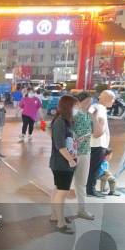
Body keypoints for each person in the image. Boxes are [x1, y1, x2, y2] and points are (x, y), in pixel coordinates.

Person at [49, 94, 79, 233]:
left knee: (58, 189)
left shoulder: (67, 121)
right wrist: (71, 160)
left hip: (63, 162)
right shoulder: (60, 122)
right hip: (62, 164)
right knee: (62, 192)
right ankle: (60, 223)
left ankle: (55, 216)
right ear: (68, 106)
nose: (77, 108)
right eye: (75, 106)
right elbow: (60, 146)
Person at [72, 92, 103, 220]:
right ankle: (57, 211)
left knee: (81, 183)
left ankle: (81, 210)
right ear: (78, 101)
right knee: (62, 184)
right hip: (70, 154)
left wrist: (94, 116)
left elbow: (98, 133)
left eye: (90, 102)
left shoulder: (88, 115)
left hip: (85, 152)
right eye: (86, 102)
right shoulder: (73, 113)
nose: (89, 105)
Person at [87, 90, 117, 198]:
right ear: (107, 98)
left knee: (95, 167)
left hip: (100, 143)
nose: (113, 102)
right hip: (96, 143)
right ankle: (90, 189)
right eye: (113, 99)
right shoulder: (96, 106)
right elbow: (89, 112)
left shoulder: (102, 109)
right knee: (94, 168)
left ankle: (90, 188)